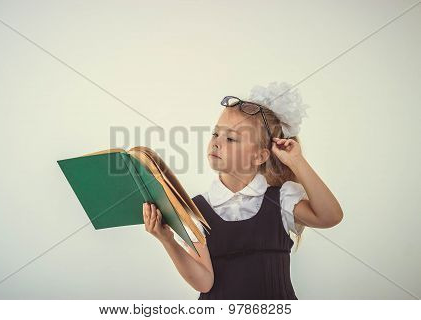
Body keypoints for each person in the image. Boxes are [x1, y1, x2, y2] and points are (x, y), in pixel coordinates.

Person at [142, 81, 344, 299]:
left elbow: (330, 217)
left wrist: (296, 161)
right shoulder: (196, 208)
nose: (217, 143)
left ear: (259, 156)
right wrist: (167, 240)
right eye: (215, 134)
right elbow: (204, 282)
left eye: (230, 138)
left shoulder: (282, 200)